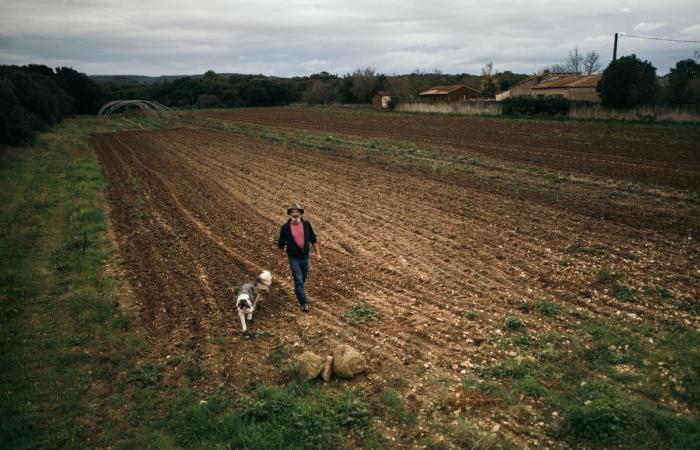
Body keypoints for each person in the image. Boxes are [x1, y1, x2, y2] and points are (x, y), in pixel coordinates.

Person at [276, 202, 321, 312]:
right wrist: (280, 258)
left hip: (305, 257)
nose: (295, 213)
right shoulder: (285, 228)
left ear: (301, 213)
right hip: (293, 257)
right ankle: (303, 303)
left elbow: (313, 240)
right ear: (290, 214)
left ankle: (298, 290)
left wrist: (317, 253)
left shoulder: (307, 225)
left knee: (302, 279)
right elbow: (281, 245)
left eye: (297, 211)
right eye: (293, 212)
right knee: (298, 280)